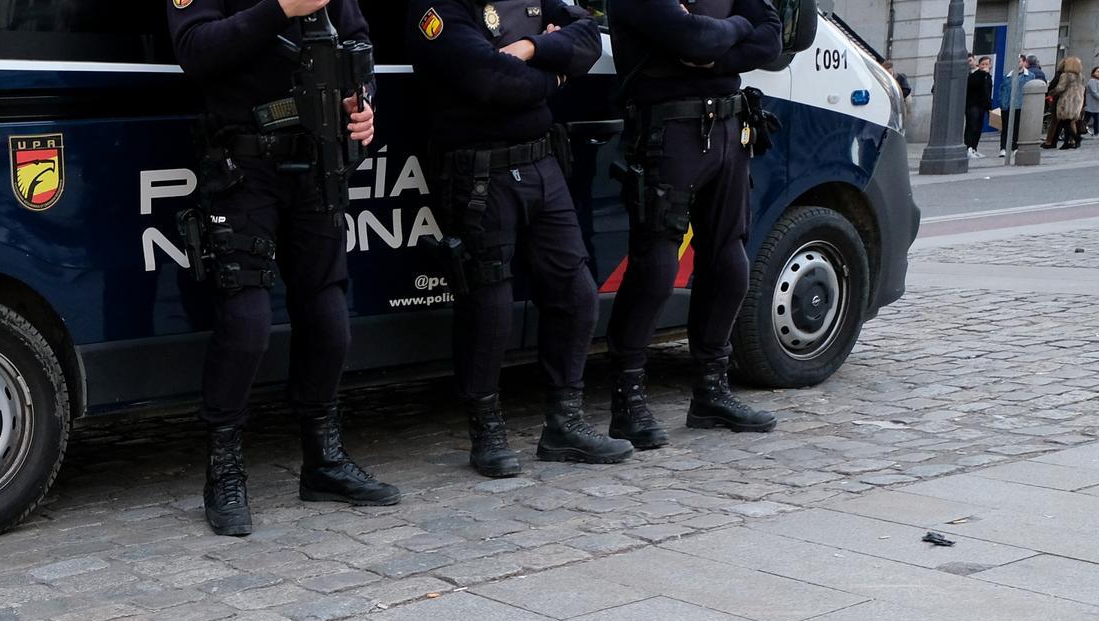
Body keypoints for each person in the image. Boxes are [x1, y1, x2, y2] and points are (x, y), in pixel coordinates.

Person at [167, 0, 401, 537]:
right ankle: (224, 471)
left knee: (329, 318)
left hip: (317, 160)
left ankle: (323, 462)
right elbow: (195, 52)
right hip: (242, 165)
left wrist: (364, 106)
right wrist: (281, 9)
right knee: (246, 323)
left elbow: (358, 43)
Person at [406, 0, 635, 477]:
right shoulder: (436, 9)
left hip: (540, 162)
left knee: (574, 293)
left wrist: (533, 46)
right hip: (477, 174)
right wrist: (556, 76)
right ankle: (486, 434)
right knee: (488, 306)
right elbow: (492, 80)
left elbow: (588, 34)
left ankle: (564, 425)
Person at [604, 0, 782, 447]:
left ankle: (711, 393)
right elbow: (694, 38)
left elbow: (771, 35)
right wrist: (729, 31)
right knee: (656, 269)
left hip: (728, 125)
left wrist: (713, 49)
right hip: (668, 132)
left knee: (730, 263)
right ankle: (627, 403)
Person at [998, 56, 1034, 157]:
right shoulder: (1007, 76)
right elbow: (1001, 89)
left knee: (1017, 128)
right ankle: (1003, 148)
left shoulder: (1030, 76)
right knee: (1005, 128)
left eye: (1019, 62)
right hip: (1007, 105)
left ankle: (1015, 147)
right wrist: (1002, 102)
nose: (1017, 64)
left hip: (1020, 105)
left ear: (1023, 62)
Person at [1051, 56, 1086, 149]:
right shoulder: (1080, 76)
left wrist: (1052, 92)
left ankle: (1076, 138)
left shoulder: (1065, 75)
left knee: (1064, 122)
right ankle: (1067, 143)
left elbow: (1060, 88)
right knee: (1068, 122)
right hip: (1077, 102)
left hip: (1067, 101)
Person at [965, 55, 992, 159]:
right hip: (972, 105)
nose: (984, 66)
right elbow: (973, 84)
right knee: (972, 126)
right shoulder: (976, 75)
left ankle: (974, 148)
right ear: (979, 65)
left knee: (979, 127)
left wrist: (989, 108)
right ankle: (968, 147)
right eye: (982, 64)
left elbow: (988, 92)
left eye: (986, 64)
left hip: (982, 105)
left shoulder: (988, 77)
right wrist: (982, 73)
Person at [1086, 67, 1099, 136]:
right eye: (1097, 71)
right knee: (1087, 119)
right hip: (1091, 105)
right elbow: (1094, 93)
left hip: (1096, 105)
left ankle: (1097, 132)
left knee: (1096, 119)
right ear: (1093, 73)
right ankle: (1079, 131)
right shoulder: (1092, 81)